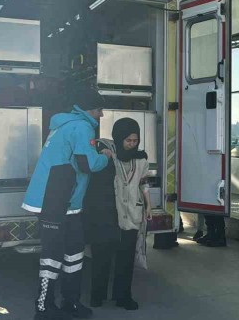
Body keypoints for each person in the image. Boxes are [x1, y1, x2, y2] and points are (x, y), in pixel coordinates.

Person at [23, 87, 111, 320]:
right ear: (87, 109)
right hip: (55, 201)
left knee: (74, 253)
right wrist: (105, 157)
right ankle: (43, 307)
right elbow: (87, 164)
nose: (101, 114)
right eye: (99, 109)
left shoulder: (65, 124)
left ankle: (70, 302)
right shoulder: (81, 127)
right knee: (53, 256)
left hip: (65, 201)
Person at [85, 118, 151, 310]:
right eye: (128, 140)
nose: (132, 144)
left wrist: (148, 205)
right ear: (119, 137)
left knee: (126, 258)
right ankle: (97, 296)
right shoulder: (107, 155)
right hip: (107, 214)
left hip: (131, 215)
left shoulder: (141, 159)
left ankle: (123, 297)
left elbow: (144, 183)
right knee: (101, 255)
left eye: (135, 140)